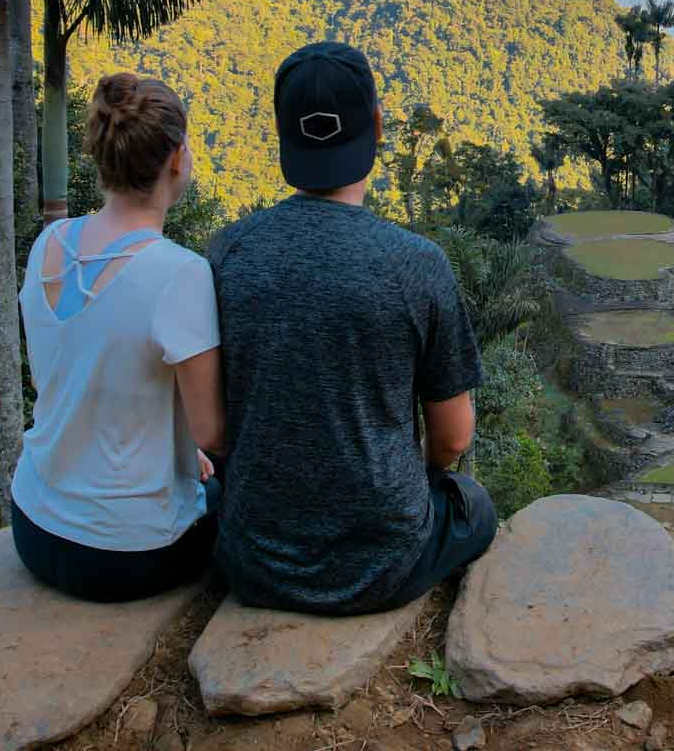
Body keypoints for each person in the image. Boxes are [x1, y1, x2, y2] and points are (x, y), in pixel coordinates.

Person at [206, 41, 497, 614]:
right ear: (378, 127)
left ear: (282, 133)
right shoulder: (416, 263)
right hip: (382, 567)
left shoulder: (226, 252)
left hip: (252, 562)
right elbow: (452, 440)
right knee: (475, 505)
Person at [9, 73, 225, 603]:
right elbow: (212, 432)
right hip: (128, 552)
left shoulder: (49, 243)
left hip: (33, 525)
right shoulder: (180, 273)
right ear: (176, 159)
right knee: (230, 493)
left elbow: (53, 381)